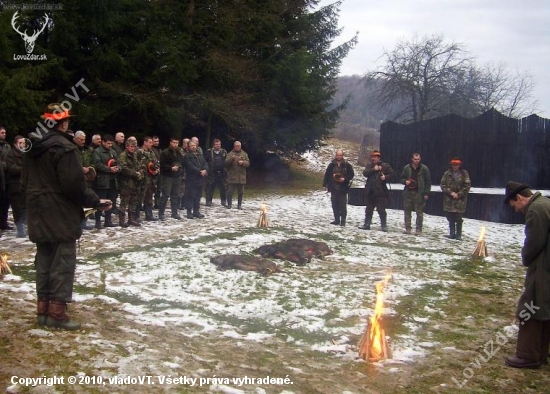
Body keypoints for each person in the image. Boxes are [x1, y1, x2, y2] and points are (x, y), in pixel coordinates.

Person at [21, 103, 111, 330]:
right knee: (62, 262)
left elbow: (25, 181)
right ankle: (57, 314)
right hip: (60, 213)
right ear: (62, 123)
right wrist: (94, 200)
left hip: (38, 211)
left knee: (44, 259)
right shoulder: (64, 148)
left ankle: (43, 310)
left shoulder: (31, 149)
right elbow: (73, 187)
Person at [503, 181, 550, 369]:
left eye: (514, 206)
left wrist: (525, 257)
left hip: (544, 267)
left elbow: (534, 242)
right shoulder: (545, 203)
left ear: (520, 198)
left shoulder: (535, 210)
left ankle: (528, 355)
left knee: (529, 307)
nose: (516, 210)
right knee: (544, 308)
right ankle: (540, 354)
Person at [359, 150, 394, 232]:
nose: (373, 158)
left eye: (375, 157)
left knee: (381, 210)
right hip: (370, 192)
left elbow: (393, 174)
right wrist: (374, 169)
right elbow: (365, 173)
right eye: (372, 157)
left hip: (380, 192)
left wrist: (385, 177)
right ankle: (367, 224)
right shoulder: (369, 166)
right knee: (368, 210)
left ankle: (384, 225)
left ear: (378, 158)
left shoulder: (385, 166)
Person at [92, 134, 120, 229]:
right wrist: (109, 169)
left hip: (112, 180)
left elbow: (119, 162)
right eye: (108, 143)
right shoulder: (97, 152)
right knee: (101, 202)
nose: (110, 145)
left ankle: (108, 220)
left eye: (111, 143)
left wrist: (117, 168)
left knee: (111, 201)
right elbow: (97, 164)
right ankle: (98, 221)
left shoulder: (113, 152)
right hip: (102, 181)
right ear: (103, 142)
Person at [440, 157, 471, 240]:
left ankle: (458, 235)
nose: (455, 166)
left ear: (459, 165)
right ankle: (452, 233)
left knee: (458, 217)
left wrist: (459, 194)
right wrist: (451, 192)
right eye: (453, 165)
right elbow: (443, 185)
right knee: (449, 217)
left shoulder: (464, 174)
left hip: (459, 200)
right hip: (449, 200)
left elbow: (467, 186)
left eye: (456, 165)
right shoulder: (447, 173)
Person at [400, 152, 431, 235]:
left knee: (419, 213)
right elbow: (401, 178)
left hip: (419, 193)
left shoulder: (424, 169)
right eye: (415, 159)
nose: (417, 161)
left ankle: (418, 229)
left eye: (418, 159)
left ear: (420, 159)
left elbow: (428, 182)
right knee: (407, 211)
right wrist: (405, 182)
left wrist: (426, 193)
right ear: (412, 159)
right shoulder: (407, 168)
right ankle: (408, 228)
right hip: (408, 192)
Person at [322, 149, 354, 226]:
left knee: (342, 205)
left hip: (343, 188)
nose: (339, 157)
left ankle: (343, 220)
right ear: (335, 155)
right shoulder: (332, 165)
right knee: (334, 204)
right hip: (333, 187)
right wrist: (325, 184)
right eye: (337, 155)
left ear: (342, 156)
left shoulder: (347, 165)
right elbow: (327, 175)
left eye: (340, 155)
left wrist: (345, 179)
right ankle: (336, 220)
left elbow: (351, 174)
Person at [117, 139, 144, 227]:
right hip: (126, 183)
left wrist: (140, 173)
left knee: (133, 202)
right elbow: (124, 169)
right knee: (124, 202)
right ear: (127, 146)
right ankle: (122, 220)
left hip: (135, 183)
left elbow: (138, 165)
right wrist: (135, 174)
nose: (133, 148)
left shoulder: (135, 155)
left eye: (134, 147)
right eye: (131, 146)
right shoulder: (123, 156)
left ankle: (131, 219)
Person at [5, 136, 27, 237]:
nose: (23, 145)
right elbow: (12, 168)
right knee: (17, 209)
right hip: (15, 185)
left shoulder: (26, 154)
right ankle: (20, 229)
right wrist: (24, 170)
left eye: (24, 143)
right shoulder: (10, 154)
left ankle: (25, 227)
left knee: (25, 208)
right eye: (21, 143)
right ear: (15, 144)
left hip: (25, 185)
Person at [159, 137, 184, 220]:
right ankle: (161, 213)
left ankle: (174, 212)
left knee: (175, 195)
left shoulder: (179, 152)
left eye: (176, 143)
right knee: (165, 195)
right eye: (174, 142)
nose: (175, 144)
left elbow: (181, 162)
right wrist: (171, 168)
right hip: (168, 176)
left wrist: (178, 167)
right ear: (170, 143)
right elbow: (162, 165)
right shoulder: (165, 153)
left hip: (177, 176)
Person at [183, 140, 208, 219]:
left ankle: (196, 211)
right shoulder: (187, 156)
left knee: (198, 196)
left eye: (194, 145)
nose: (193, 147)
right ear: (189, 147)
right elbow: (189, 166)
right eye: (192, 146)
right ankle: (189, 212)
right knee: (191, 195)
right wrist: (199, 171)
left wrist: (205, 170)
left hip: (200, 179)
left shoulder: (199, 154)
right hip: (191, 179)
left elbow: (205, 163)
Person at [138, 136, 160, 221]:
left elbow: (156, 163)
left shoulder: (152, 152)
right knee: (140, 198)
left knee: (149, 198)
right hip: (143, 179)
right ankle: (136, 216)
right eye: (150, 142)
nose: (151, 144)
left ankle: (149, 215)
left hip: (151, 179)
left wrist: (156, 170)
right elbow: (136, 164)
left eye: (152, 142)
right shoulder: (139, 152)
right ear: (145, 142)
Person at [225, 141, 250, 210]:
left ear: (240, 146)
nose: (237, 147)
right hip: (232, 176)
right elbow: (226, 163)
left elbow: (248, 163)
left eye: (238, 146)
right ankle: (229, 204)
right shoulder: (230, 154)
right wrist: (231, 159)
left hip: (241, 176)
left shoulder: (244, 154)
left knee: (241, 192)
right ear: (234, 146)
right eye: (236, 146)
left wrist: (243, 163)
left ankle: (239, 205)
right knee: (230, 191)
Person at [204, 138, 228, 207]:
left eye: (219, 144)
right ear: (213, 145)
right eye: (217, 144)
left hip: (221, 173)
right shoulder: (209, 152)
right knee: (210, 188)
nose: (218, 146)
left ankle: (223, 201)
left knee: (223, 188)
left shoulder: (224, 152)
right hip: (212, 173)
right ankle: (208, 201)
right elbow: (205, 161)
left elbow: (227, 161)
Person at [0, 126, 12, 231]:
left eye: (5, 132)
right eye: (2, 132)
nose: (4, 134)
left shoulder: (8, 146)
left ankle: (4, 222)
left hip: (7, 177)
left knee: (5, 202)